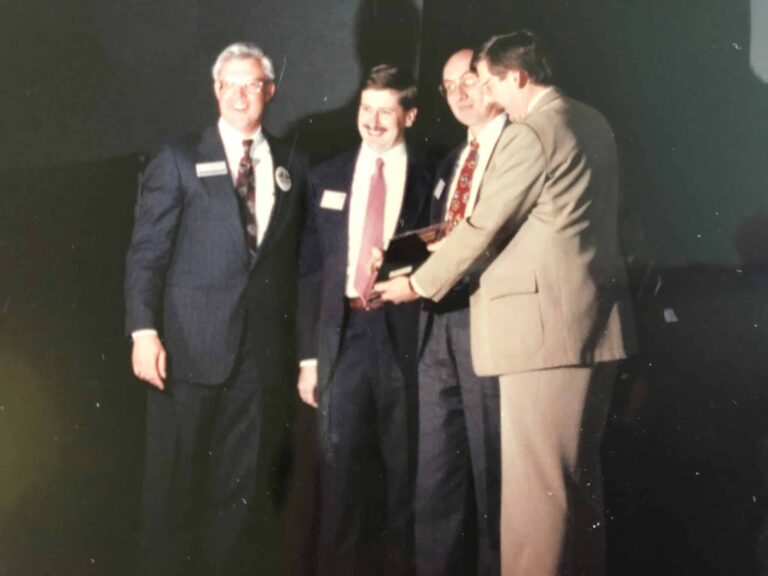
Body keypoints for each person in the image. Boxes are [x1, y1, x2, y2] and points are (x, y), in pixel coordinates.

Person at [376, 30, 637, 576]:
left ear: (517, 78)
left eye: (489, 81)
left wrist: (417, 284)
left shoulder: (531, 133)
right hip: (591, 330)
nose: (485, 92)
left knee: (534, 509)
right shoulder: (591, 121)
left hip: (541, 341)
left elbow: (481, 228)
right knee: (576, 493)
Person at [124, 42, 307, 576]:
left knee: (240, 493)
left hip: (257, 362)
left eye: (251, 84)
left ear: (269, 91)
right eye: (229, 83)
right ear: (215, 90)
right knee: (173, 489)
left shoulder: (291, 163)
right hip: (186, 355)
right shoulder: (179, 157)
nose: (239, 94)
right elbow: (146, 253)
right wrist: (143, 332)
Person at [296, 64, 432, 575]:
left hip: (407, 338)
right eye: (365, 109)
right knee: (339, 483)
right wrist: (309, 358)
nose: (373, 122)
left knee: (406, 479)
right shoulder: (325, 175)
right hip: (342, 340)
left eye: (386, 111)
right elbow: (310, 271)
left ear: (410, 115)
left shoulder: (433, 173)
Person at [412, 48, 505, 576]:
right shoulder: (452, 160)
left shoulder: (517, 148)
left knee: (494, 484)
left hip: (488, 327)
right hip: (437, 332)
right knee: (436, 488)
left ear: (491, 80)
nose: (461, 93)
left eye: (469, 79)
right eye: (449, 86)